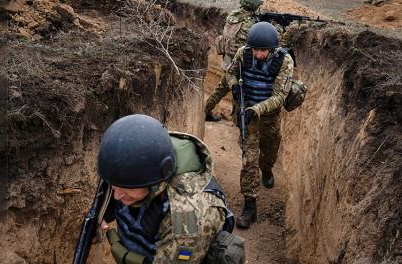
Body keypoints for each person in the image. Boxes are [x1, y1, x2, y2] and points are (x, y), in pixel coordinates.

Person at [97, 114, 241, 263]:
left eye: (127, 188)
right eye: (114, 187)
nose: (117, 195)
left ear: (154, 180)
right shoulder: (134, 162)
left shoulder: (188, 218)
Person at [226, 22, 294, 228]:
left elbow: (280, 96)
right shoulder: (243, 53)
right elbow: (230, 73)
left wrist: (256, 110)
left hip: (269, 117)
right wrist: (234, 87)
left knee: (270, 151)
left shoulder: (285, 61)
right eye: (255, 49)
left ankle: (267, 169)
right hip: (248, 115)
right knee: (249, 159)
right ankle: (250, 206)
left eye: (262, 50)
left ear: (272, 49)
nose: (257, 54)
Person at [204, 0, 262, 122]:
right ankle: (237, 121)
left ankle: (206, 111)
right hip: (240, 65)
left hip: (228, 60)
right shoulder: (251, 23)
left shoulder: (234, 16)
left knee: (221, 89)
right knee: (238, 92)